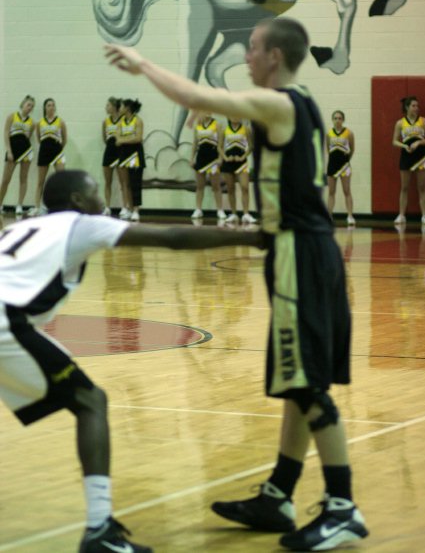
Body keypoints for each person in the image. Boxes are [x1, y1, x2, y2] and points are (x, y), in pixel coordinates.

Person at [104, 17, 369, 552]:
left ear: (275, 57)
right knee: (297, 380)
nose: (246, 57)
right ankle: (279, 493)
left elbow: (197, 94)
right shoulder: (304, 103)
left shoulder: (279, 103)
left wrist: (144, 63)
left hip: (300, 254)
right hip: (293, 249)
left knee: (307, 384)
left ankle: (343, 507)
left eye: (252, 49)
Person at [0, 169, 263, 553]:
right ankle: (99, 530)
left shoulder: (23, 226)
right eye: (92, 189)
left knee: (89, 400)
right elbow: (171, 238)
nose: (99, 196)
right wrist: (253, 237)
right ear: (77, 199)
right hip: (6, 321)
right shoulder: (83, 224)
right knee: (91, 402)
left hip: (11, 319)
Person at [392, 96, 425, 226]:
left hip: (422, 156)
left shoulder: (424, 121)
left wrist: (419, 142)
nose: (416, 108)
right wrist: (405, 146)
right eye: (413, 106)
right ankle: (401, 215)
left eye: (417, 106)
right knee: (404, 187)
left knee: (422, 187)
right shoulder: (400, 123)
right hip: (406, 156)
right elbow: (394, 141)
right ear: (407, 107)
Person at [28, 98, 67, 216]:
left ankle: (62, 206)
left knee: (61, 180)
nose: (51, 107)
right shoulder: (39, 123)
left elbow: (64, 139)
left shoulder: (60, 121)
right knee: (41, 181)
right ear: (45, 108)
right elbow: (39, 138)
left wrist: (58, 148)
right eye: (49, 105)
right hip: (44, 151)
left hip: (57, 152)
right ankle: (37, 207)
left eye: (53, 105)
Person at [0, 95, 36, 216]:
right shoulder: (12, 116)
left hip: (26, 151)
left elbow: (28, 137)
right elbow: (6, 133)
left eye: (32, 106)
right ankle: (0, 204)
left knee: (23, 178)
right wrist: (9, 151)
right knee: (5, 180)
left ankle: (19, 205)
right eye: (28, 105)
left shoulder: (32, 122)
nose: (30, 107)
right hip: (12, 151)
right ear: (22, 105)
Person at [219, 118, 257, 224]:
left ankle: (246, 214)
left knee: (245, 187)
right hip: (228, 163)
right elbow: (219, 147)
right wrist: (225, 158)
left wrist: (243, 157)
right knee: (231, 189)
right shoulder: (224, 130)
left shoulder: (246, 129)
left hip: (241, 163)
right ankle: (234, 214)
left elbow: (251, 146)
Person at [190, 113, 226, 221]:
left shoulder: (217, 124)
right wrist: (192, 158)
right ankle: (198, 209)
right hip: (201, 157)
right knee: (200, 185)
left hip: (213, 157)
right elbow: (195, 143)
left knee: (216, 186)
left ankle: (220, 210)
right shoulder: (198, 124)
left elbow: (221, 143)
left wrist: (220, 158)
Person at [116, 98, 145, 222]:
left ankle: (136, 210)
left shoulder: (138, 121)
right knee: (125, 183)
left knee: (135, 183)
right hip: (123, 154)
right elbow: (117, 140)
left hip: (135, 154)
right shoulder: (120, 122)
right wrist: (128, 138)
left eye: (122, 106)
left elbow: (138, 138)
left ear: (127, 108)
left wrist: (123, 139)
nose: (120, 109)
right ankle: (127, 208)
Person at [326, 110, 355, 226]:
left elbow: (352, 149)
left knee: (347, 190)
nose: (337, 120)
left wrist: (346, 160)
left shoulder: (349, 133)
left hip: (345, 166)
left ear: (343, 120)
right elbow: (328, 150)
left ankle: (350, 216)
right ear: (332, 120)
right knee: (331, 192)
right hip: (332, 165)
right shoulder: (329, 134)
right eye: (335, 118)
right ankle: (329, 216)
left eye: (340, 118)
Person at [101, 96, 124, 216]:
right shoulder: (106, 121)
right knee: (107, 182)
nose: (106, 107)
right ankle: (107, 206)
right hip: (109, 151)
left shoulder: (123, 120)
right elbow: (104, 138)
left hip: (120, 152)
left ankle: (125, 207)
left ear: (114, 107)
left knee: (123, 181)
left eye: (108, 105)